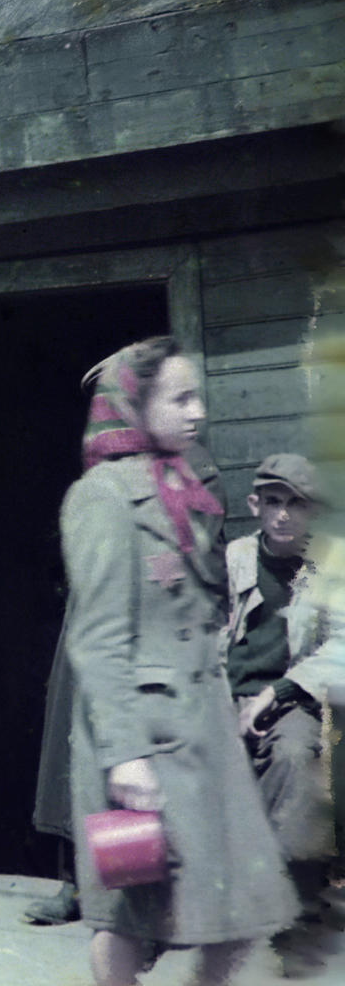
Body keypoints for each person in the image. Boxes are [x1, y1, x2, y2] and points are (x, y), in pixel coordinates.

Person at [60, 337, 298, 986]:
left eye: (199, 396)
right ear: (134, 406)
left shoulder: (184, 485)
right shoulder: (103, 498)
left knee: (246, 910)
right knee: (131, 919)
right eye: (180, 398)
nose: (198, 412)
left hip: (204, 733)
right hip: (149, 740)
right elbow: (98, 639)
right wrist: (125, 755)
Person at [223, 453, 343, 914]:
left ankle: (277, 891)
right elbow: (209, 632)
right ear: (254, 504)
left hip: (292, 697)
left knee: (293, 755)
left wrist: (276, 694)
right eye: (273, 502)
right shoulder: (234, 558)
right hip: (227, 693)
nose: (283, 515)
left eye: (296, 504)